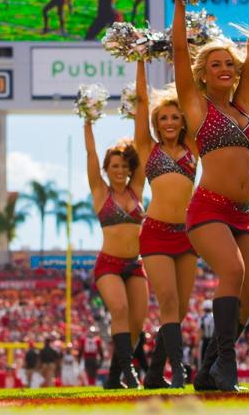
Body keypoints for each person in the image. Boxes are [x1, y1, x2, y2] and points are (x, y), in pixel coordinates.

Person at [172, 0, 249, 392]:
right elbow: (178, 51)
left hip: (242, 213)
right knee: (233, 272)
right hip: (208, 208)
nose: (225, 68)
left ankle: (209, 367)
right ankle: (226, 367)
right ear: (203, 75)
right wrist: (178, 0)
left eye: (229, 63)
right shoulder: (196, 107)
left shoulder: (243, 107)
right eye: (216, 64)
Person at [132, 61, 198, 389]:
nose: (169, 122)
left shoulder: (195, 148)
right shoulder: (147, 149)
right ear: (156, 124)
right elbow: (141, 104)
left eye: (175, 116)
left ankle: (155, 372)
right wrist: (140, 60)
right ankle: (178, 372)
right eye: (163, 118)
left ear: (183, 120)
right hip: (156, 232)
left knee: (181, 308)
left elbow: (194, 96)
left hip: (187, 235)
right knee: (168, 302)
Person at [84, 120, 147, 389]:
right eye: (114, 166)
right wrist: (87, 123)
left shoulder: (138, 189)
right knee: (119, 310)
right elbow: (91, 155)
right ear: (106, 170)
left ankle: (112, 378)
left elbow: (142, 147)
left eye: (123, 166)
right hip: (108, 264)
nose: (119, 170)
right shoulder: (100, 191)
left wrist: (137, 114)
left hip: (135, 264)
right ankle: (128, 374)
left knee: (137, 322)